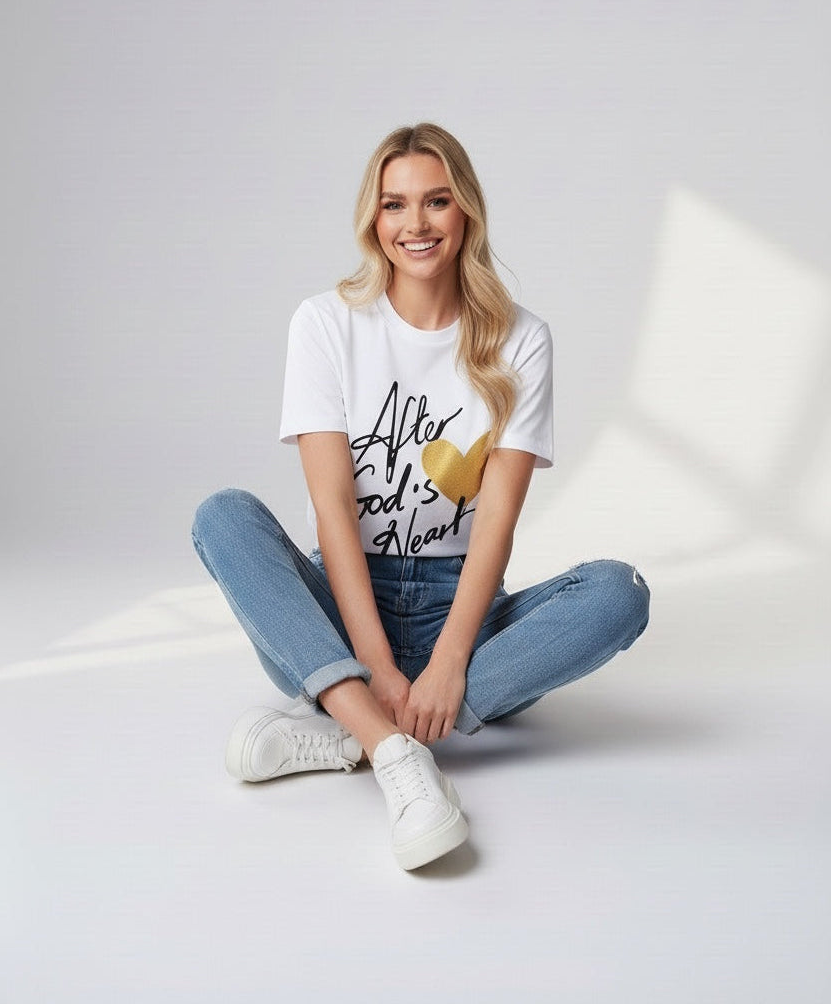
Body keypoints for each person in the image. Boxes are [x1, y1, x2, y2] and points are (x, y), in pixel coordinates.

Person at [191, 123, 650, 871]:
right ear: (373, 218)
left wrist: (449, 662)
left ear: (466, 210)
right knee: (222, 516)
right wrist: (375, 662)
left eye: (436, 201)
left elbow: (496, 518)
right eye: (394, 204)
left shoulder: (520, 340)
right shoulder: (326, 324)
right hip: (340, 614)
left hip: (461, 613)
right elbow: (334, 511)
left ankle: (345, 729)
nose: (416, 223)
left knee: (618, 593)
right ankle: (393, 750)